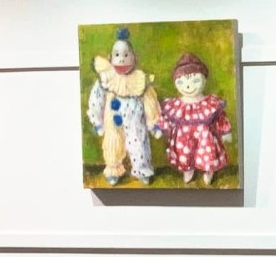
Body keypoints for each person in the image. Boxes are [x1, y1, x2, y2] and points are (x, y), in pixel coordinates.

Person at [87, 28, 162, 185]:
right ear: (110, 57)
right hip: (112, 117)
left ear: (134, 58)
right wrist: (97, 121)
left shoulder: (140, 79)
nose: (121, 59)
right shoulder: (106, 78)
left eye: (126, 55)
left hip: (135, 118)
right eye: (117, 55)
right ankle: (113, 169)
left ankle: (142, 169)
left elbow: (150, 101)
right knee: (112, 142)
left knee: (138, 142)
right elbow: (96, 99)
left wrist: (154, 123)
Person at [159, 52, 232, 185]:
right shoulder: (175, 105)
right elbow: (167, 119)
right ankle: (188, 168)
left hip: (205, 138)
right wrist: (160, 128)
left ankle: (208, 169)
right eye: (182, 81)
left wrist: (225, 131)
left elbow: (220, 117)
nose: (189, 86)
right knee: (185, 154)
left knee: (207, 152)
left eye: (195, 81)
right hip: (183, 141)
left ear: (204, 80)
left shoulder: (210, 103)